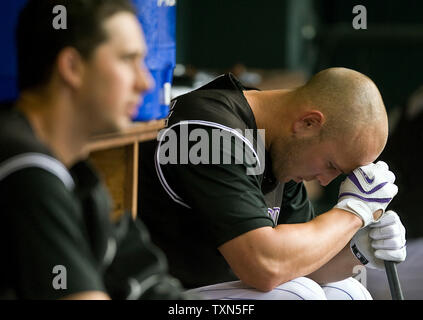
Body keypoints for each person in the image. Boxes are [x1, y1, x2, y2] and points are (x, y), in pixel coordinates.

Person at [138, 68, 406, 299]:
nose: (325, 180)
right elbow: (264, 267)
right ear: (308, 123)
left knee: (347, 292)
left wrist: (358, 250)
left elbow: (300, 265)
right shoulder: (209, 129)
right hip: (161, 294)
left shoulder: (280, 148)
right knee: (297, 296)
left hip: (216, 291)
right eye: (331, 165)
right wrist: (353, 213)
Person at [0, 0, 191, 300]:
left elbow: (152, 286)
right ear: (72, 67)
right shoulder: (24, 171)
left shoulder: (78, 175)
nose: (146, 82)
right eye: (128, 60)